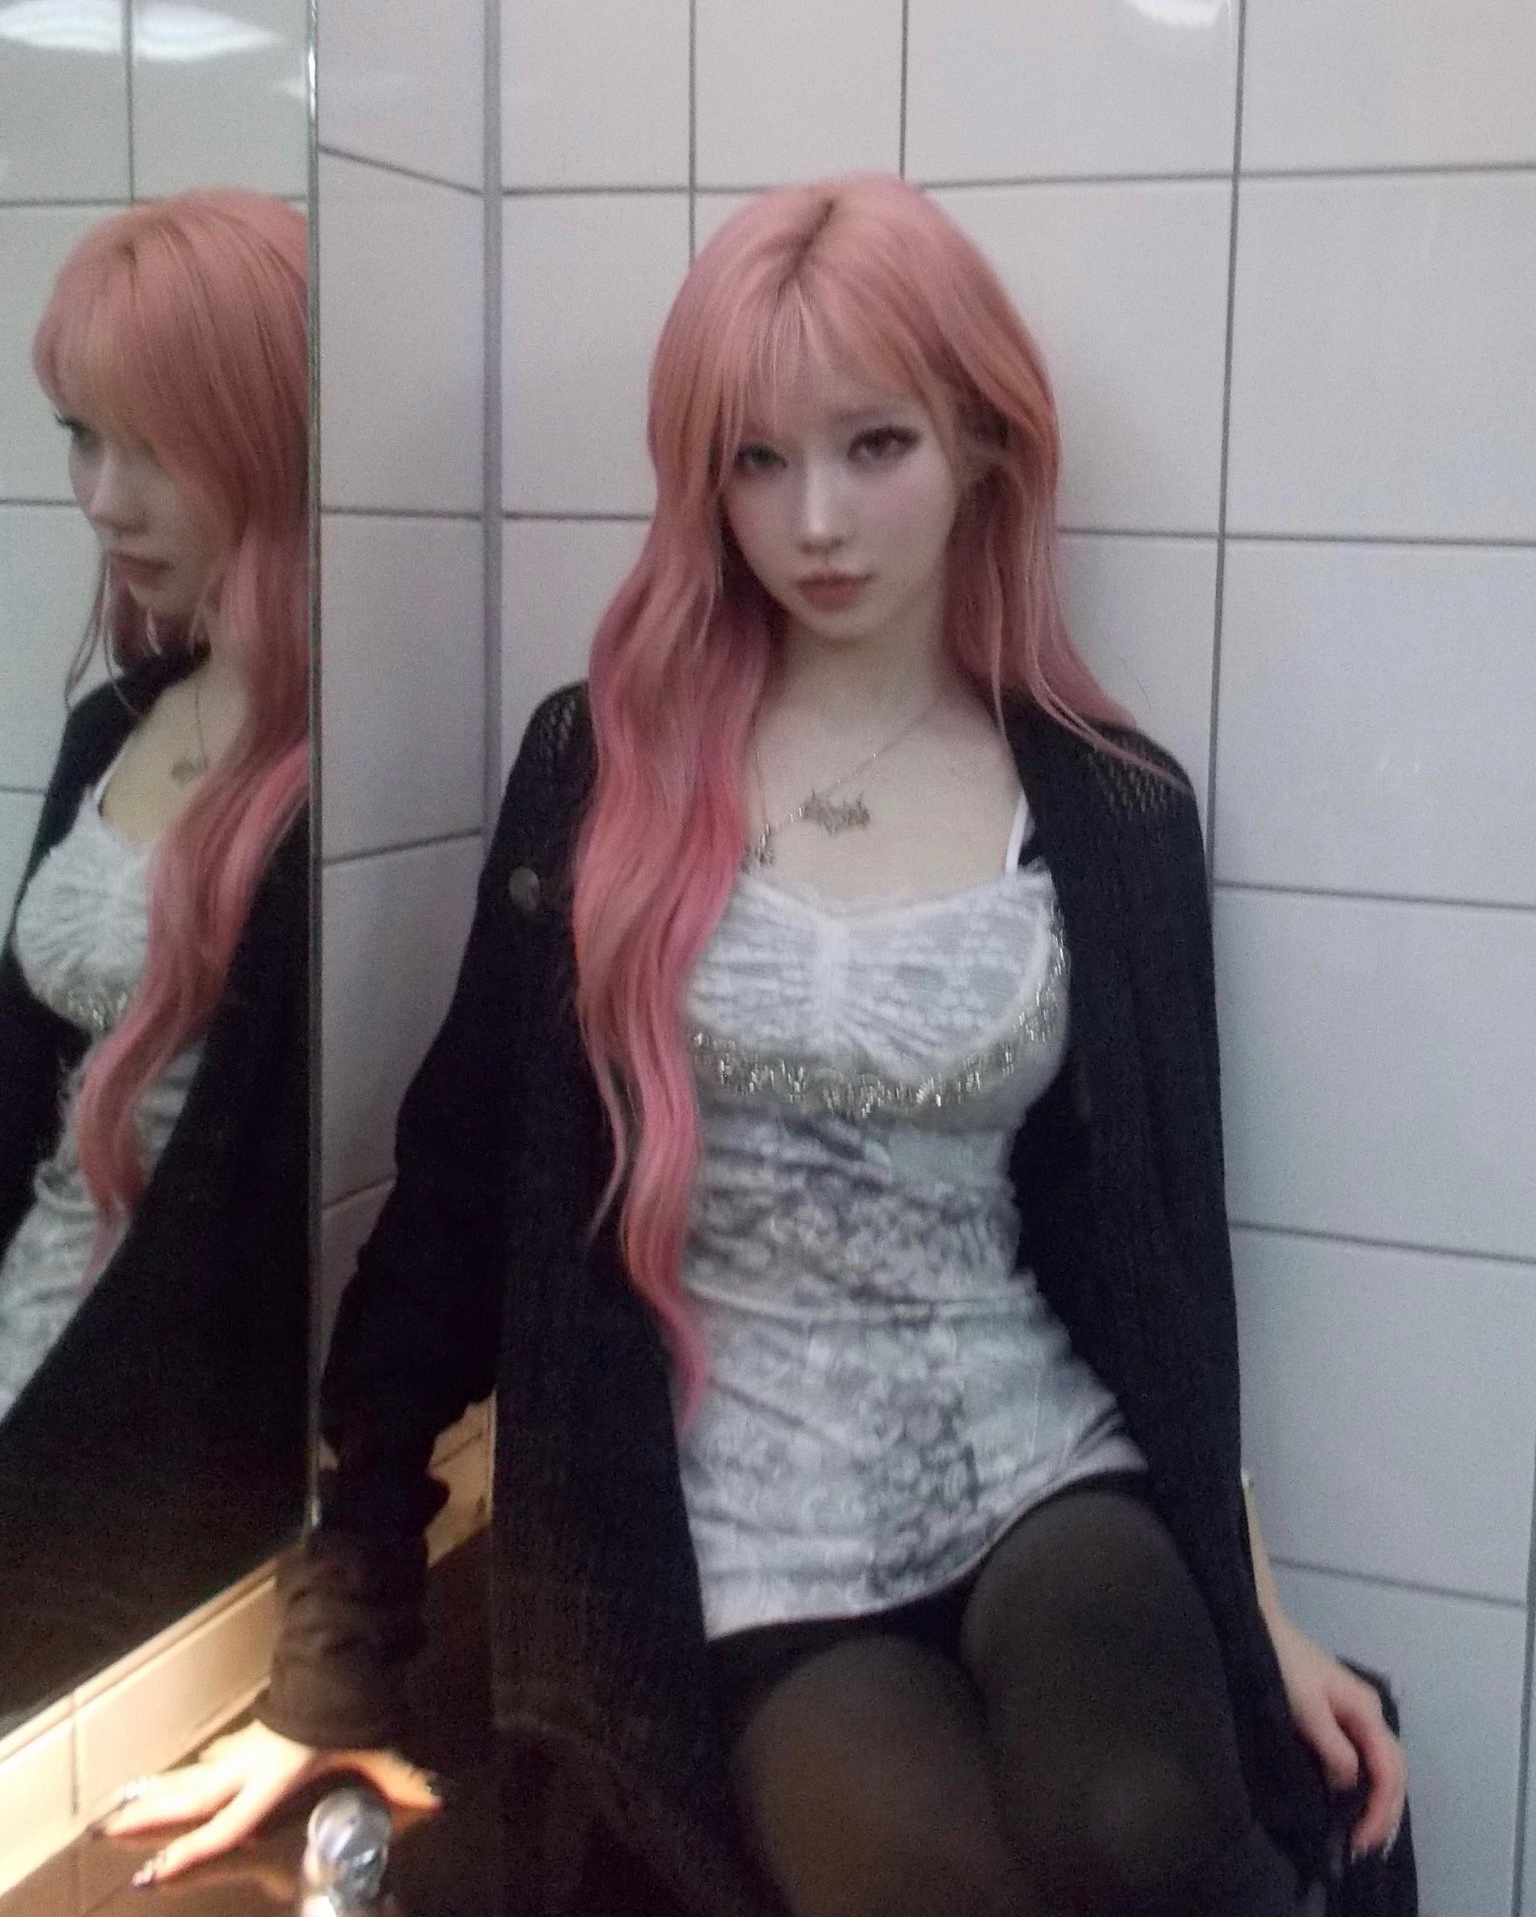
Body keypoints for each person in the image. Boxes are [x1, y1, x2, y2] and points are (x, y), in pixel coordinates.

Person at [102, 175, 1410, 1914]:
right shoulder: (602, 774)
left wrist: (1250, 1608)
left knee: (1145, 1824)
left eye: (876, 447)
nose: (817, 522)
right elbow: (457, 1197)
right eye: (757, 461)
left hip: (1042, 1470)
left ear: (984, 445)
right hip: (746, 1533)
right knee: (920, 1883)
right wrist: (338, 1652)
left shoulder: (1112, 811)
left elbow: (1157, 1265)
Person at [0, 191, 310, 1719]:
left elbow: (253, 1243)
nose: (104, 501)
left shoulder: (334, 790)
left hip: (145, 1464)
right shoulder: (111, 726)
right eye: (81, 438)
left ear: (269, 442)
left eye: (156, 449)